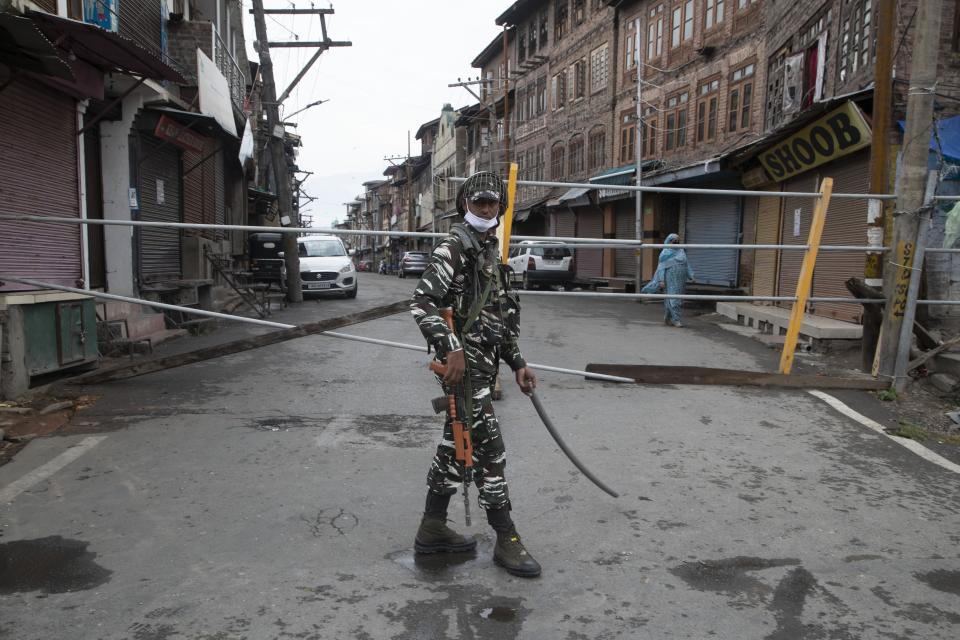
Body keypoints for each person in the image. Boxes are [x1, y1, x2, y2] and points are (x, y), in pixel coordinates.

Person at [410, 171, 541, 578]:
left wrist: (518, 363)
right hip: (462, 371)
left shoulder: (489, 252)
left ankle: (432, 528)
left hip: (486, 368)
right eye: (478, 202)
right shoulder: (453, 248)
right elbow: (422, 303)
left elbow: (497, 318)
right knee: (489, 450)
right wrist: (451, 348)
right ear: (465, 204)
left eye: (492, 203)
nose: (486, 209)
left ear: (501, 207)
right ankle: (506, 536)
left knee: (456, 443)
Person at [641, 233, 694, 327]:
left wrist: (691, 275)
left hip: (681, 280)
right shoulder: (665, 253)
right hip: (670, 279)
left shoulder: (681, 251)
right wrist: (661, 280)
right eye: (674, 241)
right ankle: (676, 319)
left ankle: (668, 317)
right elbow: (661, 267)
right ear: (669, 241)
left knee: (676, 299)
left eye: (678, 241)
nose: (676, 243)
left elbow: (687, 264)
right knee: (673, 299)